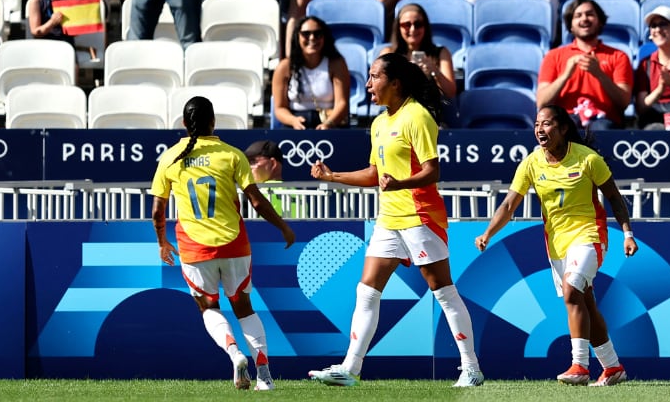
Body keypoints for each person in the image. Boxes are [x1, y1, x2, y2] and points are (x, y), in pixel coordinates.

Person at [308, 53, 484, 388]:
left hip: (420, 215)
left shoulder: (417, 116)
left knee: (443, 292)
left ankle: (471, 367)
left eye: (374, 77)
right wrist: (334, 176)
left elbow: (433, 170)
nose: (369, 84)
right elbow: (376, 173)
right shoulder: (378, 123)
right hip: (389, 217)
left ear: (396, 83)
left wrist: (401, 182)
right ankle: (350, 368)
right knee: (366, 291)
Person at [474, 104, 637, 387]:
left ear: (563, 128)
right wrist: (488, 232)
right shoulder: (532, 163)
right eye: (537, 124)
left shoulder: (587, 159)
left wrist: (627, 233)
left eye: (547, 124)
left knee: (572, 291)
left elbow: (614, 197)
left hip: (590, 236)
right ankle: (612, 367)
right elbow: (509, 204)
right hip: (557, 245)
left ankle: (579, 366)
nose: (540, 129)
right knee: (585, 302)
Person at [151, 96, 296, 392]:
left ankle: (234, 353)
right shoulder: (231, 155)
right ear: (213, 122)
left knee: (208, 307)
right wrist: (283, 227)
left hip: (194, 247)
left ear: (183, 123)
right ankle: (264, 374)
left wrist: (162, 242)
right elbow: (256, 200)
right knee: (244, 308)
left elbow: (157, 211)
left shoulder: (170, 157)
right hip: (234, 244)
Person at [537, 0, 634, 130]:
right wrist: (565, 75)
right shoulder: (553, 56)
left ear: (600, 21)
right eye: (578, 16)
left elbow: (624, 102)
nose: (584, 19)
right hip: (566, 119)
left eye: (590, 14)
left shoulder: (618, 56)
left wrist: (599, 74)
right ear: (570, 25)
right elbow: (542, 102)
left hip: (603, 120)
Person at [272, 15, 350, 129]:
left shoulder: (336, 63)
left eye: (317, 33)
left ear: (324, 37)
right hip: (295, 121)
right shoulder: (284, 67)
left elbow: (342, 103)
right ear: (297, 37)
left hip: (329, 120)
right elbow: (279, 108)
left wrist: (329, 123)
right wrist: (293, 121)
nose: (312, 38)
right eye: (306, 34)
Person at [379, 2, 456, 100]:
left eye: (418, 24)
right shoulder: (389, 54)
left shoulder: (441, 53)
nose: (413, 29)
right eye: (406, 25)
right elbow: (380, 90)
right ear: (398, 28)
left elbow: (450, 93)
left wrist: (434, 71)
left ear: (425, 27)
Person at [245, 139, 289, 216]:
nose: (249, 167)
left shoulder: (255, 194)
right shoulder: (301, 194)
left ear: (273, 163)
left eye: (253, 162)